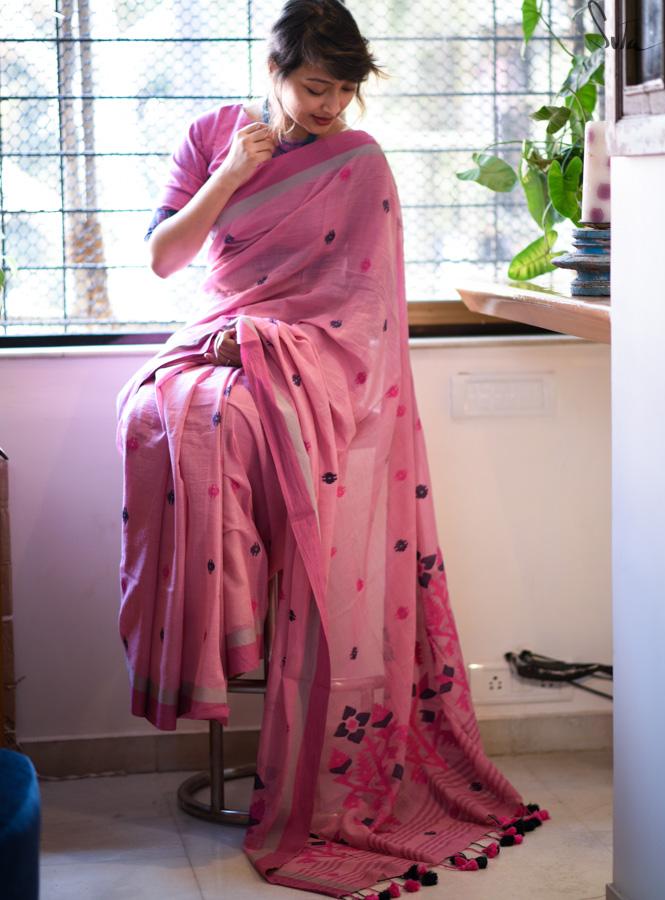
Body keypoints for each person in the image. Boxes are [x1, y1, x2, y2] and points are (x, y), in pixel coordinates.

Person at [117, 2, 548, 896]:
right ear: (273, 70)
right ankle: (215, 640)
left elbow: (364, 307)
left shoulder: (358, 161)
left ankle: (258, 651)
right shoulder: (210, 136)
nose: (332, 105)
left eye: (346, 88)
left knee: (230, 423)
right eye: (315, 85)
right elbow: (165, 259)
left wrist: (272, 343)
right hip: (215, 335)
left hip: (315, 362)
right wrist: (230, 176)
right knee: (165, 418)